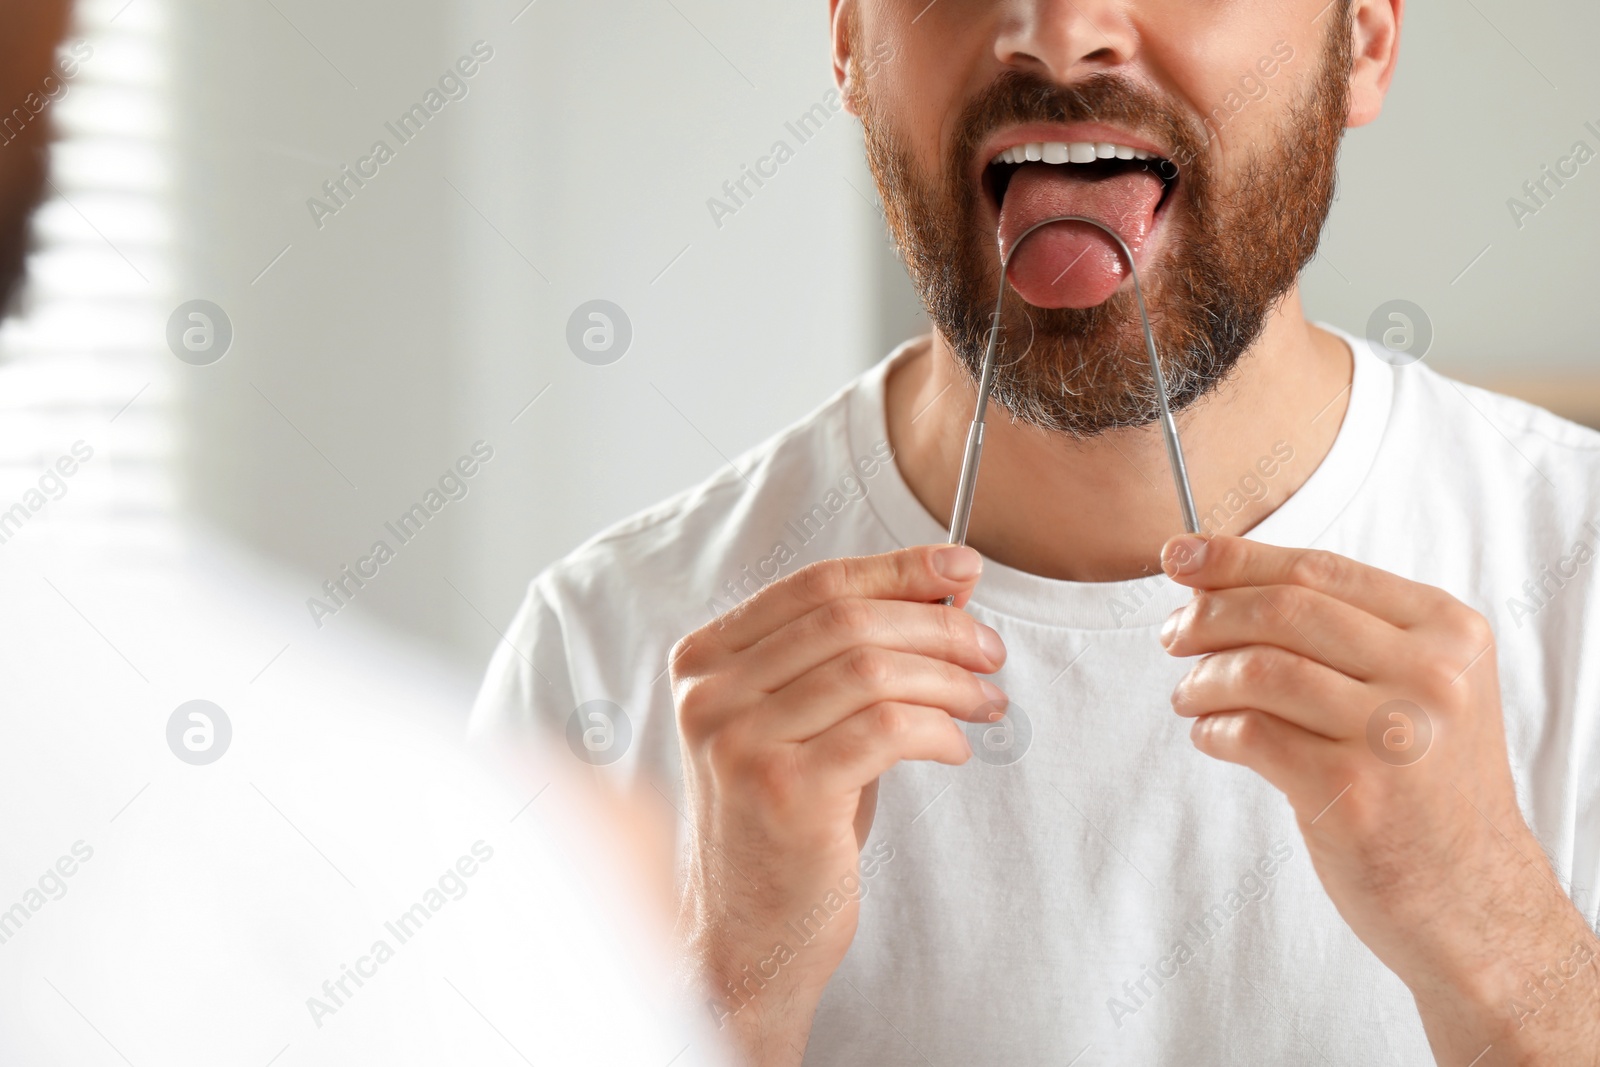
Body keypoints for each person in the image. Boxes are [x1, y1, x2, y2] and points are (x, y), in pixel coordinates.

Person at [471, 0, 1600, 1062]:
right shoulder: (604, 654)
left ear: (1361, 39)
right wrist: (721, 994)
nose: (1057, 34)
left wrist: (1510, 959)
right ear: (847, 43)